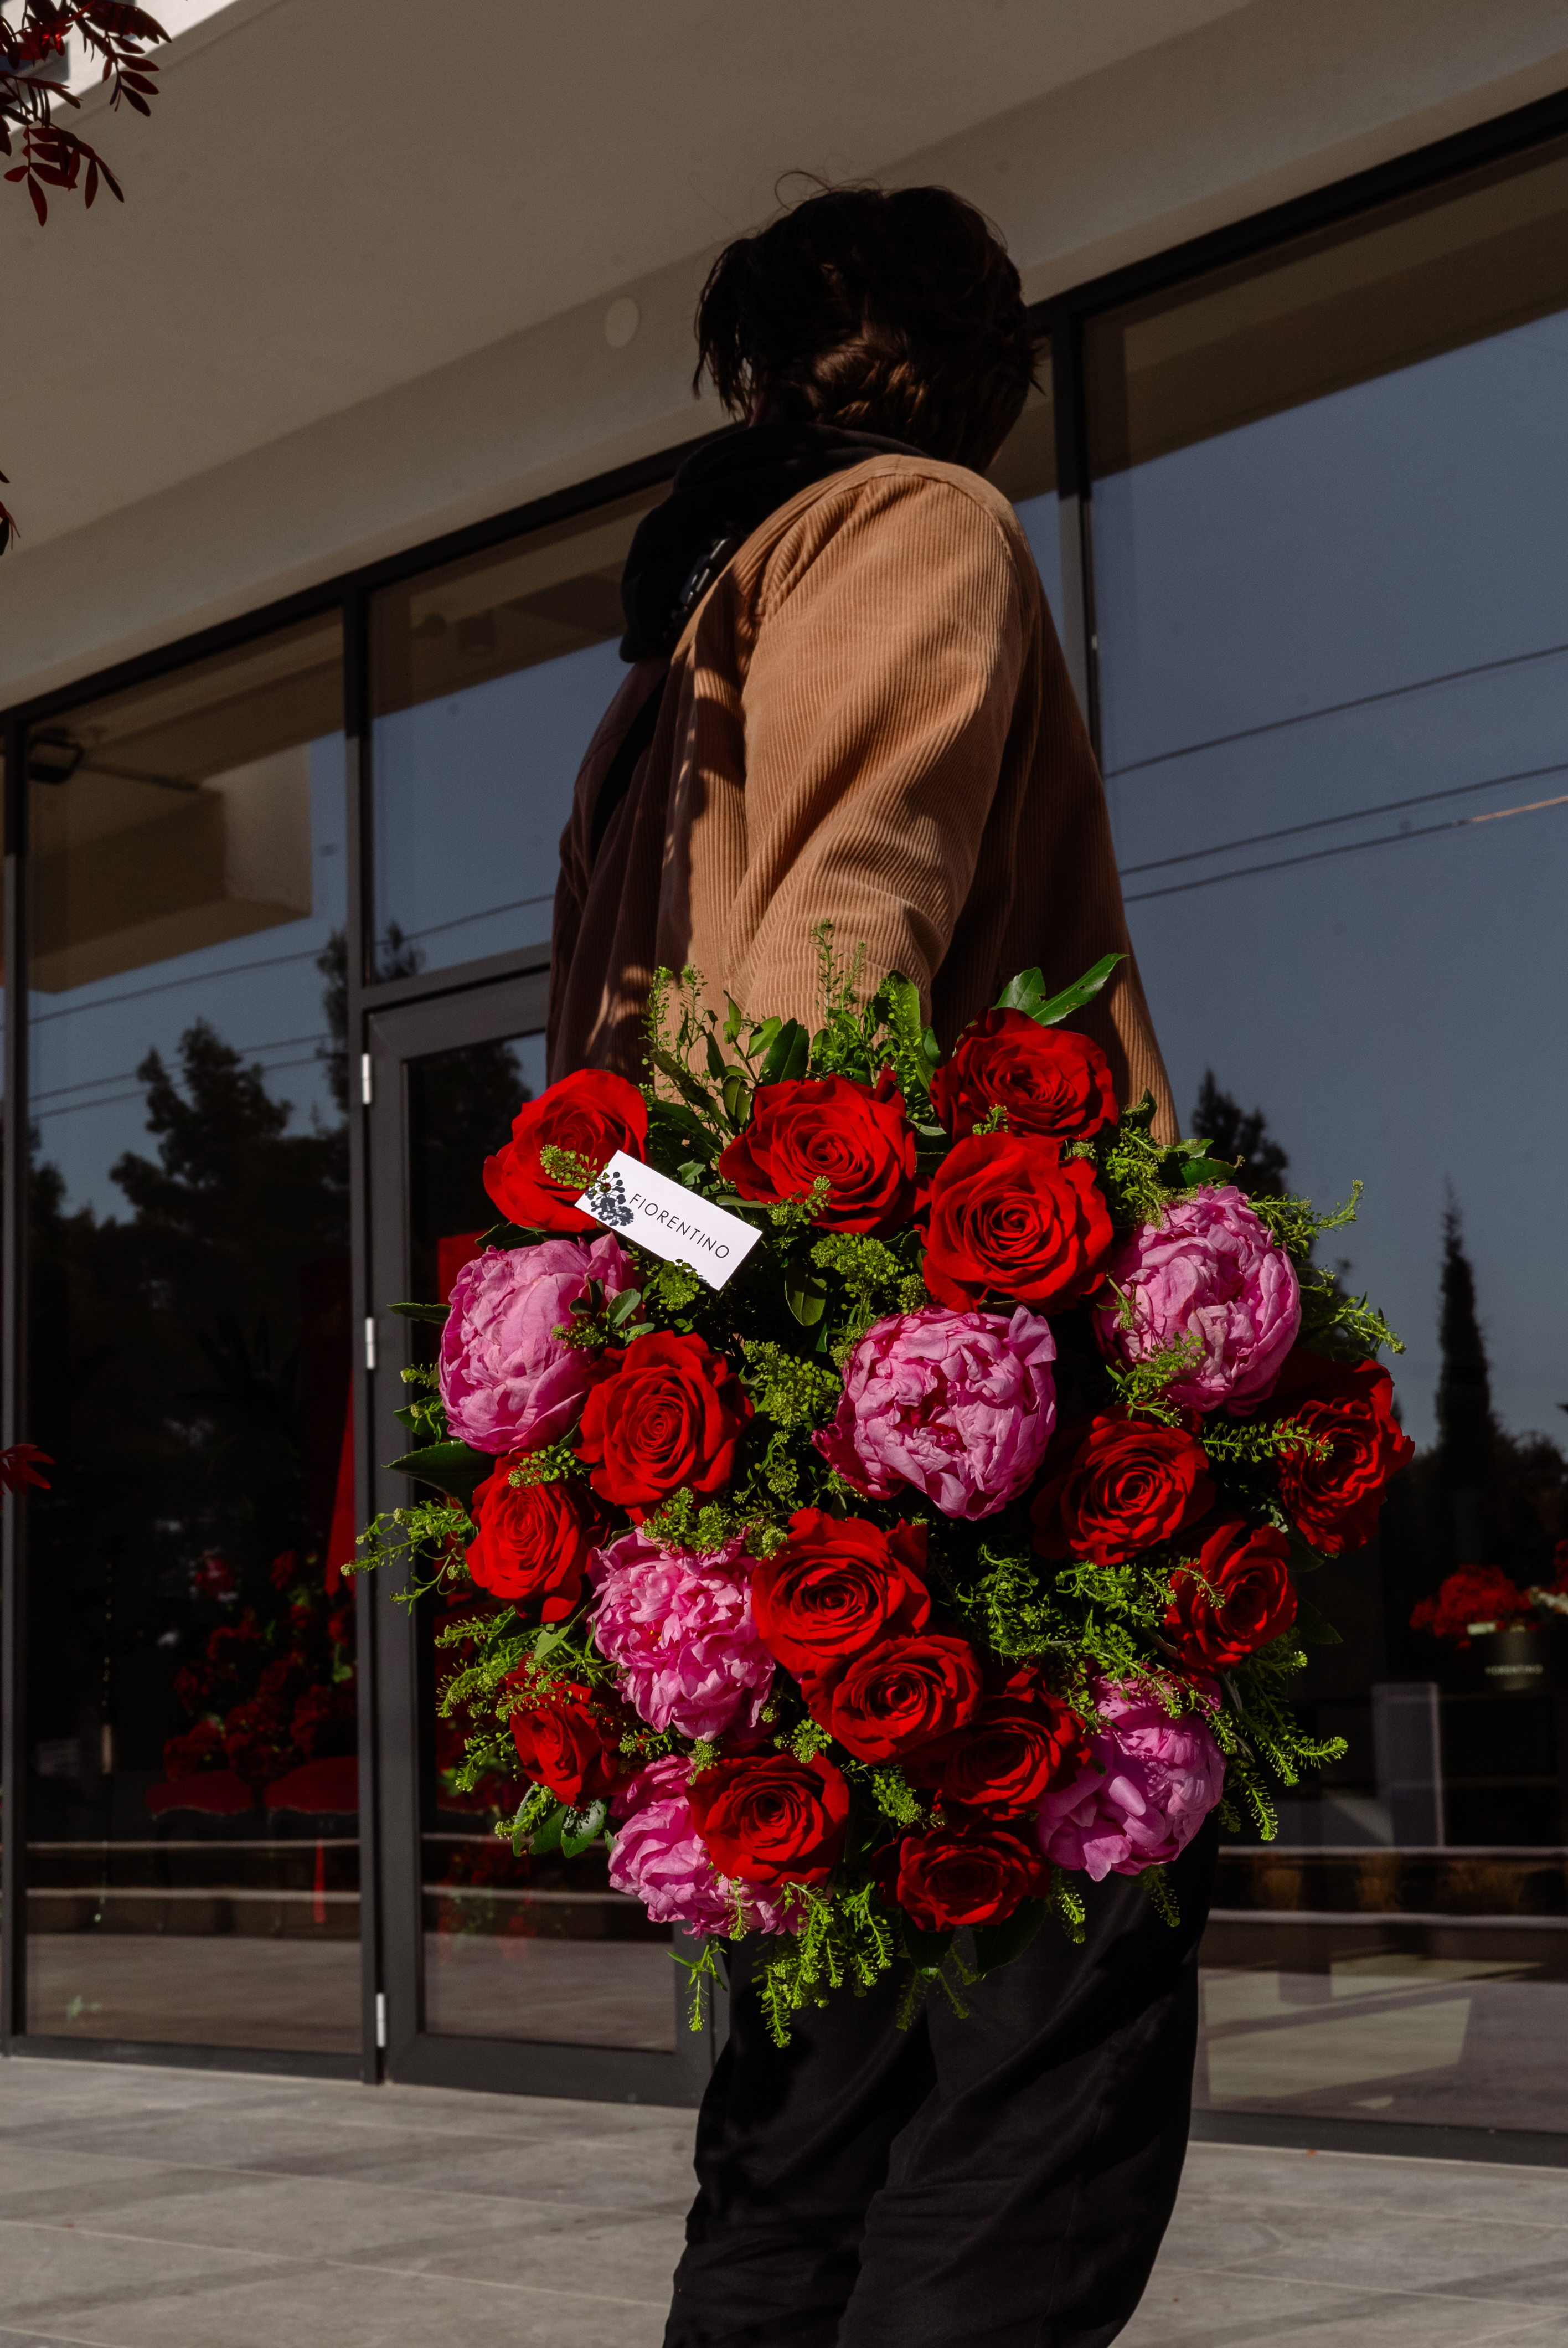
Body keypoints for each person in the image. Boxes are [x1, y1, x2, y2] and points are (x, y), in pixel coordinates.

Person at [548, 182, 1215, 2348]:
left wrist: (691, 1358)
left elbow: (601, 1125)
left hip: (738, 1448)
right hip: (937, 1436)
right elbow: (834, 961)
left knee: (809, 2116)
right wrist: (863, 1354)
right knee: (1039, 2091)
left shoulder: (677, 673)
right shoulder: (915, 527)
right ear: (953, 359)